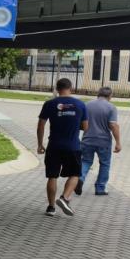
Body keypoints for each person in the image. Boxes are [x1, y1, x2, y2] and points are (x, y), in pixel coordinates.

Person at [37, 78, 88, 217]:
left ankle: (51, 207)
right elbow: (85, 127)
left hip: (54, 145)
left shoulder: (49, 103)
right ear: (71, 87)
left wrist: (40, 144)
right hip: (73, 146)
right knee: (75, 174)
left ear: (57, 89)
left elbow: (41, 124)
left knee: (52, 176)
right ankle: (64, 198)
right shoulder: (80, 105)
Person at [80, 87, 121, 196]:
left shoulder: (87, 105)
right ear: (110, 96)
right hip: (103, 141)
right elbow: (113, 125)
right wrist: (118, 142)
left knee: (85, 161)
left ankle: (80, 178)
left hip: (87, 139)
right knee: (105, 163)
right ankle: (100, 188)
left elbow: (81, 122)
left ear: (98, 94)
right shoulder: (111, 107)